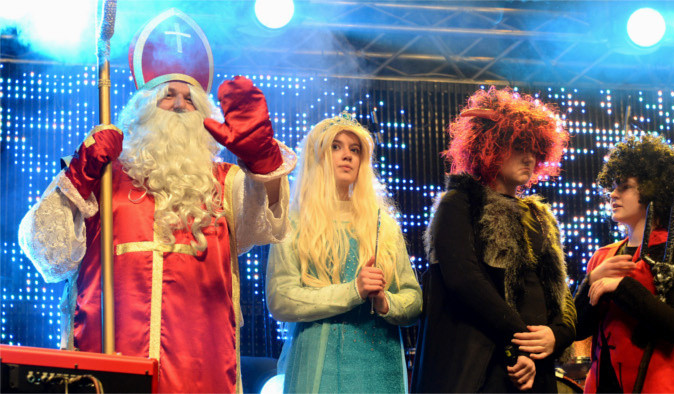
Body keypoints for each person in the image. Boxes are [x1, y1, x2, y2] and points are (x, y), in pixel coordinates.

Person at [18, 9, 296, 393]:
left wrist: (263, 165)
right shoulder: (102, 174)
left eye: (190, 98)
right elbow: (47, 252)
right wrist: (78, 177)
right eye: (169, 95)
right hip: (113, 363)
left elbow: (272, 224)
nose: (181, 105)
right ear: (144, 107)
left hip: (202, 368)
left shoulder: (226, 183)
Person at [411, 87, 576, 393]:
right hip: (481, 368)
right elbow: (464, 280)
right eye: (518, 146)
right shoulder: (458, 204)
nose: (529, 157)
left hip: (535, 369)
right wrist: (520, 340)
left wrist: (557, 335)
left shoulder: (539, 216)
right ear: (491, 146)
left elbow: (559, 291)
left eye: (535, 149)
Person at [265, 112, 422, 393]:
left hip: (380, 366)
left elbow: (414, 301)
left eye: (355, 149)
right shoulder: (293, 221)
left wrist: (386, 302)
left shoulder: (383, 225)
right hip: (318, 366)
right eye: (335, 147)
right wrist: (353, 291)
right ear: (317, 157)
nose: (347, 156)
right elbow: (281, 299)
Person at [574, 134, 674, 393]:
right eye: (613, 186)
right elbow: (577, 329)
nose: (613, 194)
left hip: (661, 384)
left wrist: (620, 287)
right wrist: (591, 282)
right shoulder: (603, 256)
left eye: (624, 186)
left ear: (653, 191)